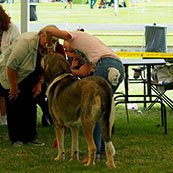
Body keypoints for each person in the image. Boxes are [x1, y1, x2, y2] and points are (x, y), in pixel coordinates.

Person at [45, 27, 124, 161]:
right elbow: (83, 73)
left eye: (68, 49)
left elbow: (49, 31)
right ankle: (103, 150)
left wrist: (49, 48)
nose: (68, 52)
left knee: (94, 113)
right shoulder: (91, 48)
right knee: (103, 111)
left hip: (104, 66)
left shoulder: (73, 36)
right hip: (118, 67)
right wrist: (68, 69)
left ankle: (95, 153)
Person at [0, 25, 57, 146]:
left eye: (54, 41)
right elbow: (11, 66)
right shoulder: (26, 42)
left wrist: (39, 83)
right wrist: (14, 87)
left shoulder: (50, 46)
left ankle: (30, 136)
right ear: (41, 34)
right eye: (50, 40)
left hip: (31, 76)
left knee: (31, 104)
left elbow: (47, 66)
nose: (51, 43)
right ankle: (16, 138)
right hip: (13, 75)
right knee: (15, 103)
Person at [0, 5, 20, 125]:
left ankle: (5, 116)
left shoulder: (12, 29)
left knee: (5, 92)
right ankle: (3, 116)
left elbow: (14, 51)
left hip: (9, 65)